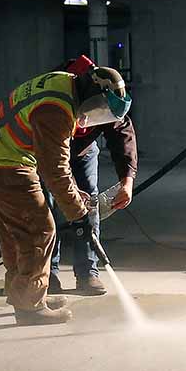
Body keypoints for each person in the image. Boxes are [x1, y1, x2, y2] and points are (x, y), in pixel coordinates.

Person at [0, 65, 131, 325]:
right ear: (93, 97)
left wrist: (73, 197)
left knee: (16, 234)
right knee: (40, 231)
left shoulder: (65, 83)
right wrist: (79, 214)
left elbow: (53, 167)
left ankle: (29, 295)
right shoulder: (56, 111)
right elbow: (55, 170)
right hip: (6, 166)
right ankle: (30, 309)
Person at [47, 55, 138, 296]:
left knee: (91, 206)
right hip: (47, 150)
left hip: (83, 151)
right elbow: (54, 163)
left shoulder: (105, 97)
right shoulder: (60, 94)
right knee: (46, 208)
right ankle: (47, 274)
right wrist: (70, 188)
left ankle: (88, 272)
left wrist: (126, 182)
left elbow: (122, 136)